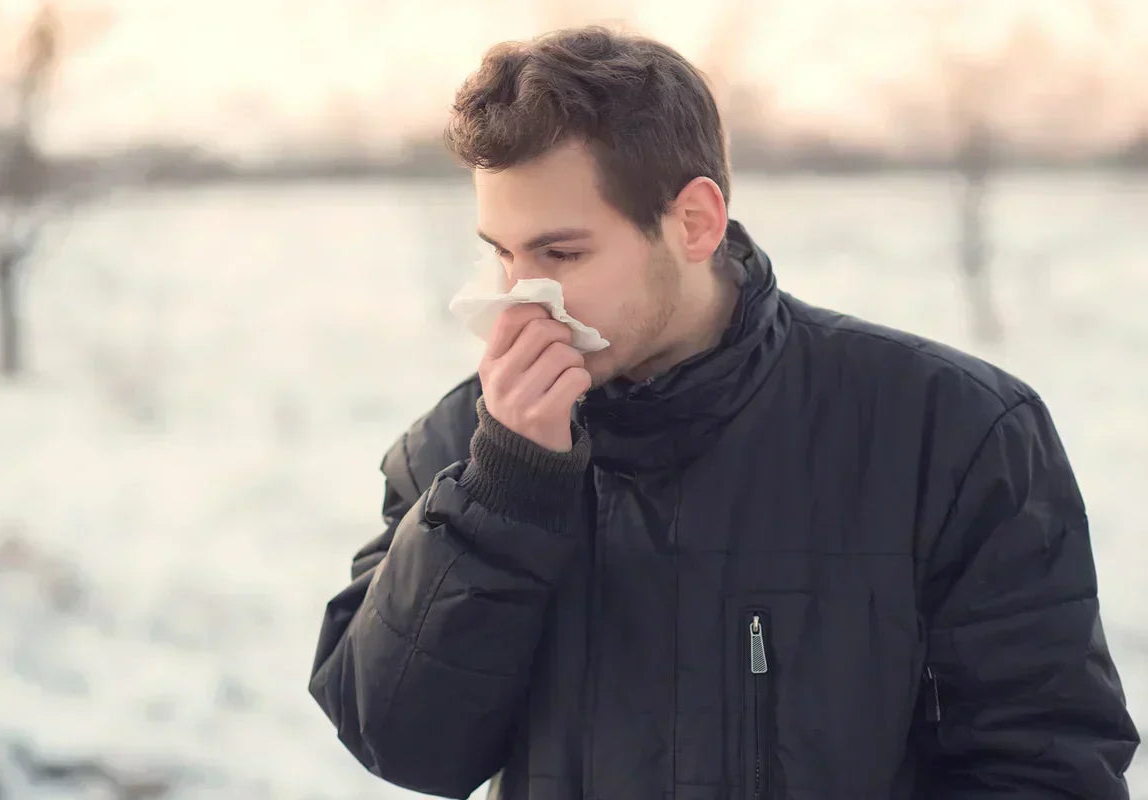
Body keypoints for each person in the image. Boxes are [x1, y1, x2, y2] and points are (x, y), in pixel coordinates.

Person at [309, 26, 1138, 800]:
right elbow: (403, 745)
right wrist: (503, 496)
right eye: (502, 253)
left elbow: (1046, 761)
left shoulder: (950, 431)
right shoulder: (463, 447)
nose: (521, 297)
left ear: (695, 222)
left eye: (562, 253)